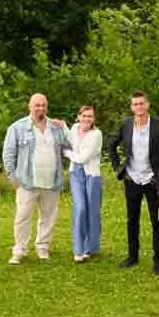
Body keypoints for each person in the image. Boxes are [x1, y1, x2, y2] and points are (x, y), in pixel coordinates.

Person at [3, 93, 71, 263]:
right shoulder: (17, 128)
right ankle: (19, 251)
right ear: (30, 106)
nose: (41, 108)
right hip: (26, 182)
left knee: (48, 217)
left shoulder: (56, 128)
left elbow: (70, 146)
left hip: (51, 181)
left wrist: (65, 127)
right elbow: (8, 154)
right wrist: (12, 177)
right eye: (37, 105)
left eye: (43, 105)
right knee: (22, 217)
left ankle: (42, 247)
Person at [113, 91, 159, 272]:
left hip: (153, 180)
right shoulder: (126, 124)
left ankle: (157, 260)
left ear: (147, 105)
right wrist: (119, 169)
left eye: (141, 103)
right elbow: (111, 143)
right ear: (132, 107)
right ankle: (132, 256)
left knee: (157, 221)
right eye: (135, 104)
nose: (138, 107)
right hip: (132, 179)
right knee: (132, 219)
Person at [66, 104, 104, 262]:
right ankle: (78, 249)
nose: (87, 119)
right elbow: (64, 136)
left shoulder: (96, 134)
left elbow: (82, 158)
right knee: (80, 208)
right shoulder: (74, 129)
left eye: (90, 116)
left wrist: (66, 152)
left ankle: (90, 248)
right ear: (78, 116)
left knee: (92, 212)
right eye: (84, 116)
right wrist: (60, 124)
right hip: (75, 173)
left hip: (92, 176)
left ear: (93, 119)